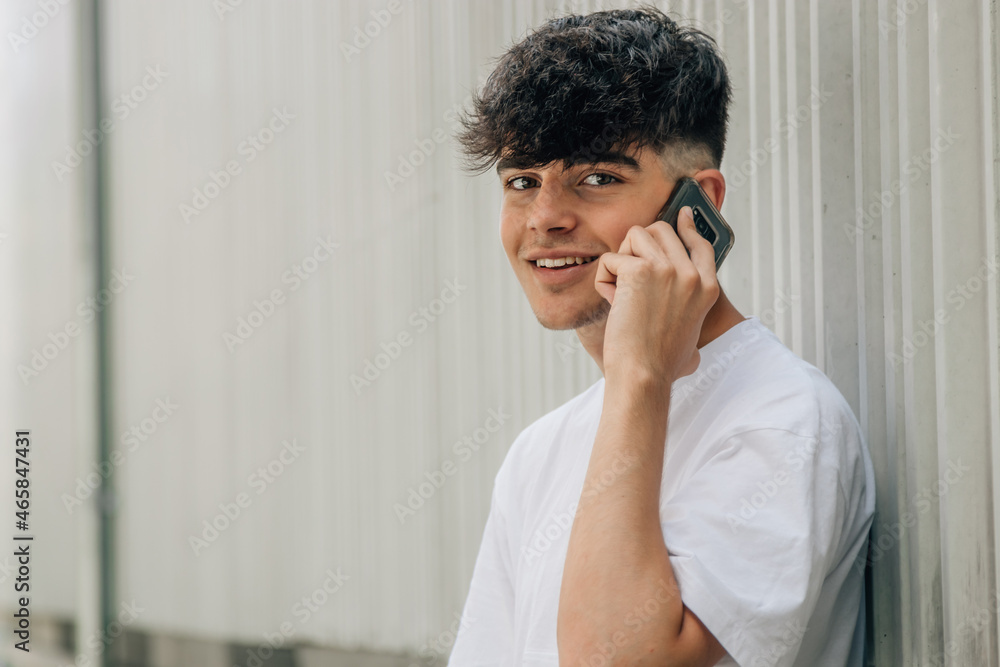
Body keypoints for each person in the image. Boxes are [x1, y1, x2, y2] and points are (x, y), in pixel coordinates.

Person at [447, 6, 875, 666]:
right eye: (523, 182)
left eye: (598, 178)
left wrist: (641, 373)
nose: (545, 218)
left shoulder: (783, 424)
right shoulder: (538, 454)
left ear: (697, 206)